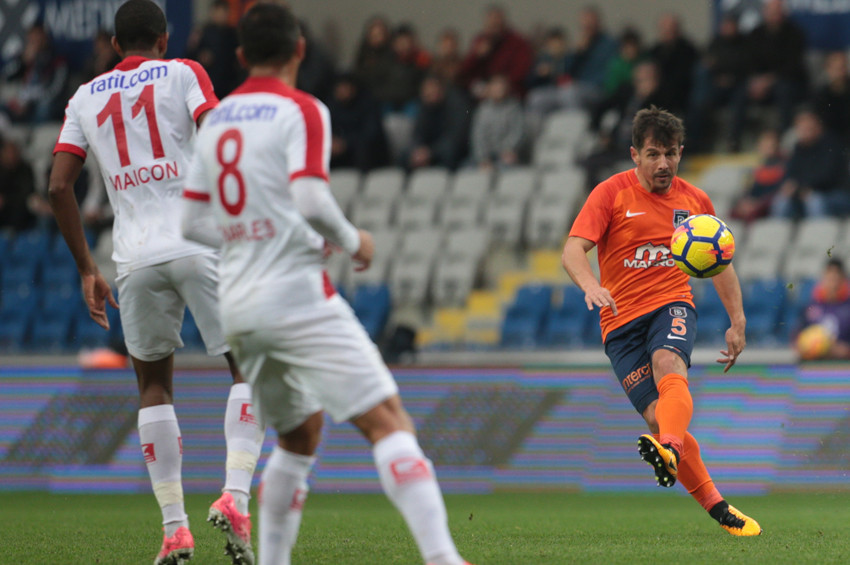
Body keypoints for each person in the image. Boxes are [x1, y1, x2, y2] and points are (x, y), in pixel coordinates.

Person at [180, 5, 472, 565]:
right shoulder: (304, 109)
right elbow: (311, 199)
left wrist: (251, 237)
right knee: (388, 421)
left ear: (240, 57)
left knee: (298, 436)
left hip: (237, 307)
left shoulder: (216, 119)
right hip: (294, 293)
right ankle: (443, 559)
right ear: (300, 51)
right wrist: (353, 240)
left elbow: (192, 223)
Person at [47, 2, 264, 564]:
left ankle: (175, 530)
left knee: (153, 387)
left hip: (134, 258)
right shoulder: (185, 72)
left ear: (116, 45)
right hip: (199, 241)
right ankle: (235, 498)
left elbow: (56, 186)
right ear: (164, 40)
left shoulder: (83, 97)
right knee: (248, 366)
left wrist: (86, 270)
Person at [561, 106, 762, 536]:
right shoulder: (610, 194)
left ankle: (669, 450)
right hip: (618, 324)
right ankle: (718, 508)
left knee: (669, 365)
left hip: (671, 302)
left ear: (681, 153)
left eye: (670, 153)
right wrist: (589, 284)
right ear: (634, 154)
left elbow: (720, 262)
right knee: (657, 418)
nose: (663, 164)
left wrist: (737, 319)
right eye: (653, 154)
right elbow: (572, 250)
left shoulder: (695, 202)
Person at [770, 108, 850, 219]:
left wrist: (802, 188)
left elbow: (827, 176)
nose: (805, 131)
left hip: (835, 194)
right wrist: (789, 186)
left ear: (818, 127)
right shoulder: (798, 149)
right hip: (804, 193)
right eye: (801, 128)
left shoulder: (831, 145)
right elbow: (790, 173)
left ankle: (820, 234)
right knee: (781, 201)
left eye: (808, 128)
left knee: (815, 201)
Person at [796, 258, 850, 360]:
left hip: (844, 366)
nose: (832, 283)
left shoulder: (848, 307)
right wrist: (807, 347)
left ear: (843, 279)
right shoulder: (811, 306)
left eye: (836, 278)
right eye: (829, 278)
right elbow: (798, 337)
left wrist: (844, 350)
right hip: (816, 365)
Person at [729, 128, 786, 223]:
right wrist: (746, 201)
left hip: (768, 203)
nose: (766, 147)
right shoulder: (760, 167)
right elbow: (752, 189)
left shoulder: (783, 165)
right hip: (756, 202)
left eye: (770, 145)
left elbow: (778, 189)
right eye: (763, 144)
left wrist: (757, 203)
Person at [470, 74, 525, 169]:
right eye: (495, 86)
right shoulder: (482, 109)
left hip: (507, 154)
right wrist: (483, 158)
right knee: (468, 171)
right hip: (486, 155)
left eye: (501, 87)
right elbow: (478, 136)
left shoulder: (514, 108)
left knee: (506, 168)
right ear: (489, 88)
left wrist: (508, 150)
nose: (498, 90)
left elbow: (517, 132)